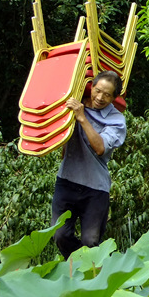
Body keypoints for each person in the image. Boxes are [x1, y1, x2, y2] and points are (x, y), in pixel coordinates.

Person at [51, 70, 126, 259]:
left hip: (95, 188)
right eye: (97, 90)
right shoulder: (75, 101)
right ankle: (82, 264)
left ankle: (92, 272)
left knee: (91, 241)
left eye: (107, 94)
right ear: (91, 86)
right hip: (67, 180)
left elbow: (100, 147)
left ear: (114, 97)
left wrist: (82, 117)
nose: (100, 97)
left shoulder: (117, 120)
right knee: (60, 234)